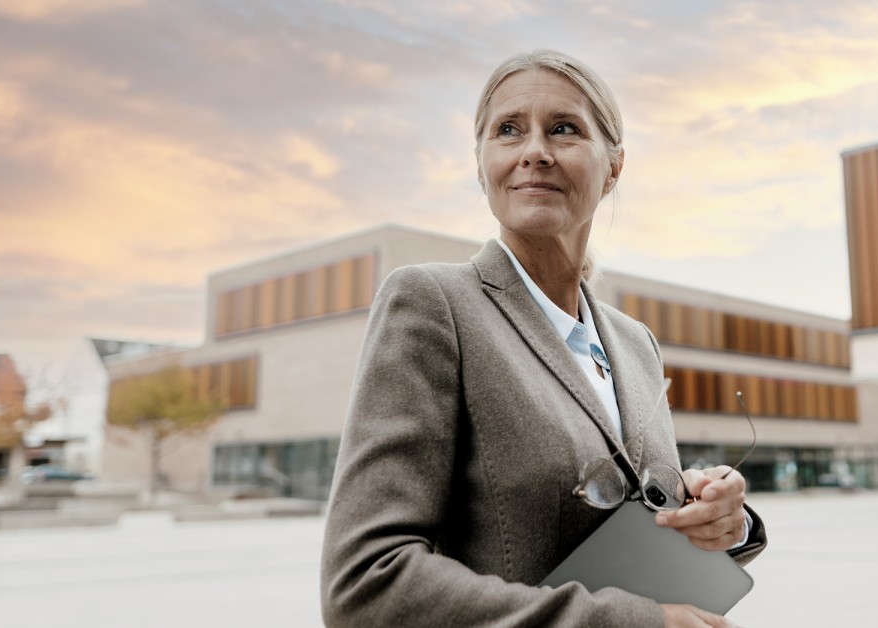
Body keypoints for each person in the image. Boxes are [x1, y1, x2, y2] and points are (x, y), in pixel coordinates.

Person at [321, 49, 766, 627]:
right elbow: (366, 585)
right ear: (482, 166)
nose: (535, 151)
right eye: (508, 130)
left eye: (563, 129)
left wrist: (725, 523)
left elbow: (635, 531)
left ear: (614, 166)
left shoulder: (636, 344)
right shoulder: (434, 305)